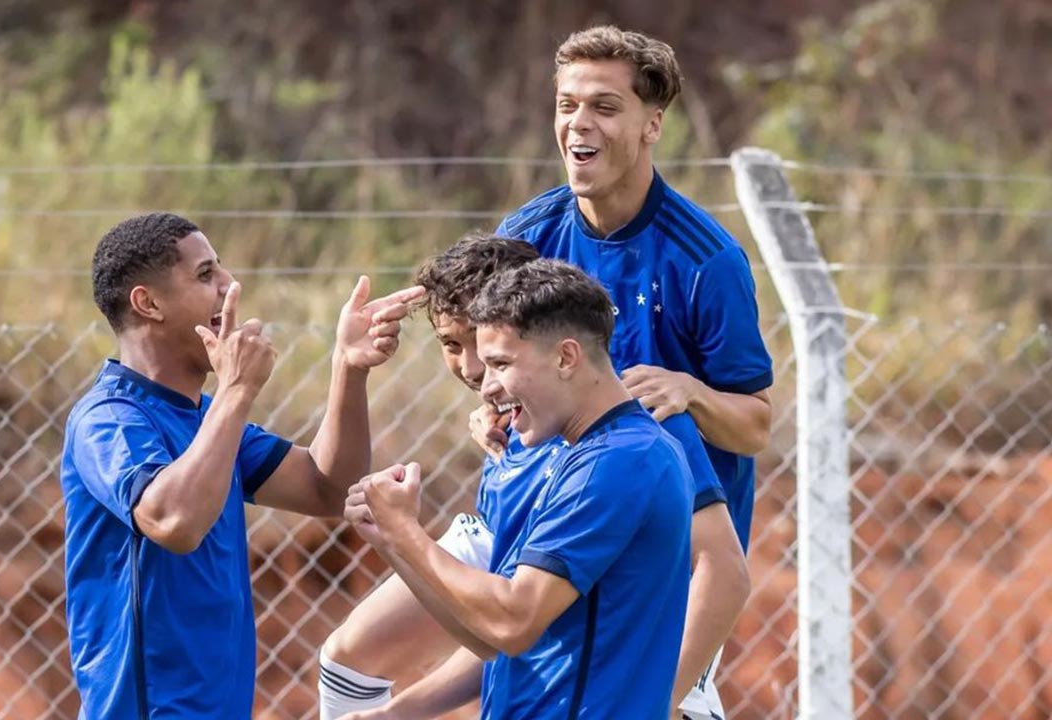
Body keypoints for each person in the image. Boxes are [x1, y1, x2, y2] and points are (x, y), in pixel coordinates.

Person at [320, 235, 748, 720]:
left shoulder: (631, 437)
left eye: (497, 356)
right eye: (453, 345)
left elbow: (724, 570)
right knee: (345, 661)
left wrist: (667, 696)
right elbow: (501, 639)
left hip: (659, 693)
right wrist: (393, 540)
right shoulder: (515, 444)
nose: (476, 371)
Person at [492, 25, 775, 717]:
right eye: (566, 105)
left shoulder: (707, 259)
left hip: (670, 567)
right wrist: (489, 405)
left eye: (604, 107)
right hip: (555, 541)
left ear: (653, 124)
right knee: (352, 658)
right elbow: (493, 367)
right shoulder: (525, 237)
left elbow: (757, 426)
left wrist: (694, 393)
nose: (577, 125)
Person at [60, 212, 424, 719]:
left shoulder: (205, 418)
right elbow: (173, 521)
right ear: (149, 303)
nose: (230, 286)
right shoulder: (111, 418)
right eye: (206, 275)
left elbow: (326, 488)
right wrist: (236, 390)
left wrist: (348, 366)